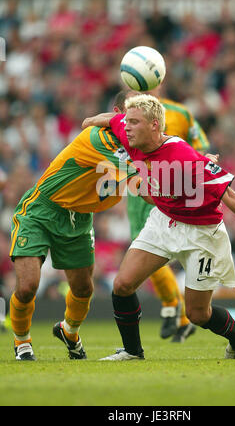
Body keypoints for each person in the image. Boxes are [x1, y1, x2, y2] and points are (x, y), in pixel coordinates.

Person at [83, 94, 235, 361]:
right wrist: (89, 121)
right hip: (164, 221)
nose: (127, 127)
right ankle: (133, 352)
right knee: (122, 285)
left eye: (134, 122)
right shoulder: (128, 132)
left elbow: (230, 196)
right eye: (128, 121)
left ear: (155, 125)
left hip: (201, 232)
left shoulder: (182, 155)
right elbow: (110, 120)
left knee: (197, 314)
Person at [9, 122, 140, 361]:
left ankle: (69, 332)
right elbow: (139, 173)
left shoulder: (140, 151)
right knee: (27, 286)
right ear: (119, 120)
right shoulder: (99, 138)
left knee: (83, 288)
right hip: (42, 211)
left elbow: (146, 185)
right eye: (130, 120)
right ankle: (22, 342)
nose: (133, 127)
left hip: (79, 217)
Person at [113, 88, 211, 342]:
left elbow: (200, 145)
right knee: (145, 246)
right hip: (139, 186)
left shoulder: (179, 112)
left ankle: (174, 306)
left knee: (150, 247)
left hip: (164, 185)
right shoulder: (129, 111)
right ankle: (174, 307)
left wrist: (197, 162)